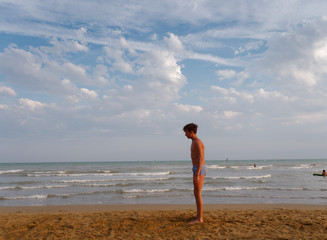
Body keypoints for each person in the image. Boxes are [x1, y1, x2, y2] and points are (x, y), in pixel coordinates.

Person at [183, 123, 207, 224]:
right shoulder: (194, 142)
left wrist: (197, 174)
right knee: (196, 193)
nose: (185, 135)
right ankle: (198, 215)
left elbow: (201, 159)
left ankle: (199, 218)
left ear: (191, 132)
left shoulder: (197, 142)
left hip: (199, 169)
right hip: (196, 168)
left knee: (198, 193)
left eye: (186, 132)